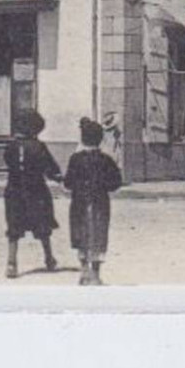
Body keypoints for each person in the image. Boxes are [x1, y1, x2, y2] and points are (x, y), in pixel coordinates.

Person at [64, 116, 123, 286]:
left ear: (82, 138)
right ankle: (96, 274)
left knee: (80, 234)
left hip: (79, 203)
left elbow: (68, 183)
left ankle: (84, 271)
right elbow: (116, 183)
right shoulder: (106, 160)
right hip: (100, 203)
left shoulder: (75, 159)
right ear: (101, 139)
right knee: (98, 235)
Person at [3, 110, 62, 279]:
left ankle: (11, 264)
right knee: (43, 225)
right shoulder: (38, 146)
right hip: (36, 191)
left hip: (14, 191)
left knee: (14, 227)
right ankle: (49, 258)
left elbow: (8, 161)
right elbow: (49, 167)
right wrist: (58, 177)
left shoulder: (10, 146)